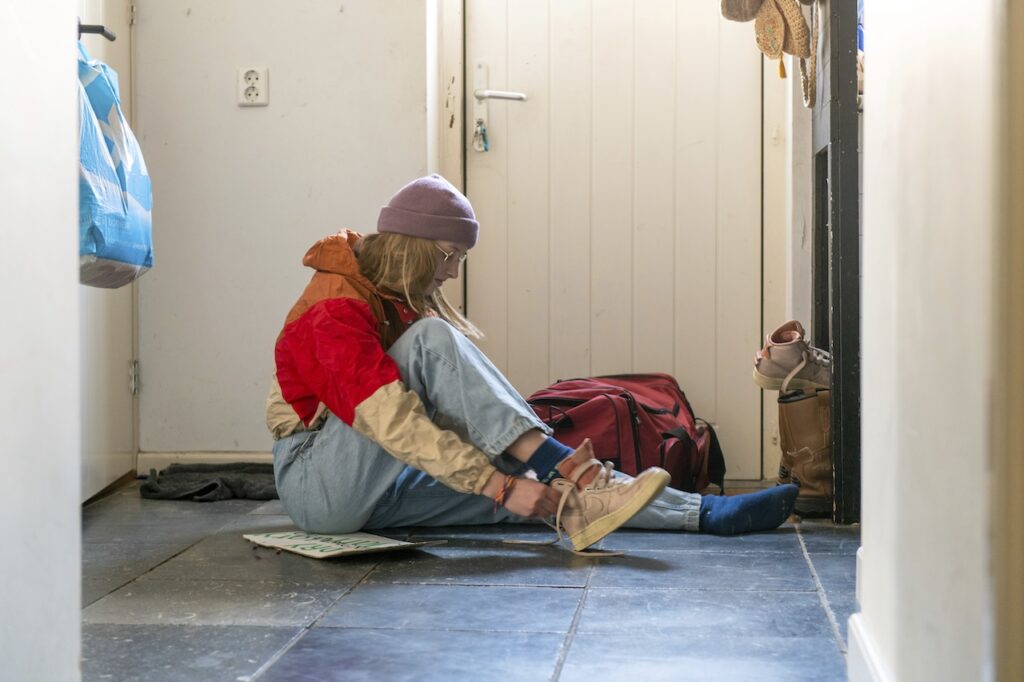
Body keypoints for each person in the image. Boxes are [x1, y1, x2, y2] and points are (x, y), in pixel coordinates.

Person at [267, 174, 798, 553]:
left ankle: (699, 515)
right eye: (450, 256)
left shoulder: (394, 298)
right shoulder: (334, 310)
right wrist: (495, 484)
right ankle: (565, 461)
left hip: (377, 486)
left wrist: (506, 475)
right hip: (320, 484)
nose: (453, 274)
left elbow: (436, 419)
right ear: (417, 249)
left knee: (547, 495)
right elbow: (391, 421)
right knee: (437, 344)